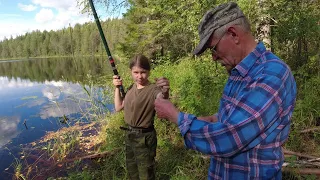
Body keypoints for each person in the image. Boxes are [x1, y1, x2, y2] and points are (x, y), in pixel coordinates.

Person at [154, 2, 297, 179]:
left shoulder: (272, 74)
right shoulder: (239, 73)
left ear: (233, 34)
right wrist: (204, 119)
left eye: (213, 48)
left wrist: (176, 116)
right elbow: (226, 118)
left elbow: (230, 136)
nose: (213, 57)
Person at [113, 54, 169, 180]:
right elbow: (118, 107)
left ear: (149, 72)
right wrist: (117, 87)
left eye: (143, 72)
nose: (139, 76)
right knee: (132, 172)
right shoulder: (131, 88)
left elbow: (162, 98)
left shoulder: (153, 89)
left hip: (145, 138)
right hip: (129, 136)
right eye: (136, 72)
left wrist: (165, 92)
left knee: (146, 174)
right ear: (131, 72)